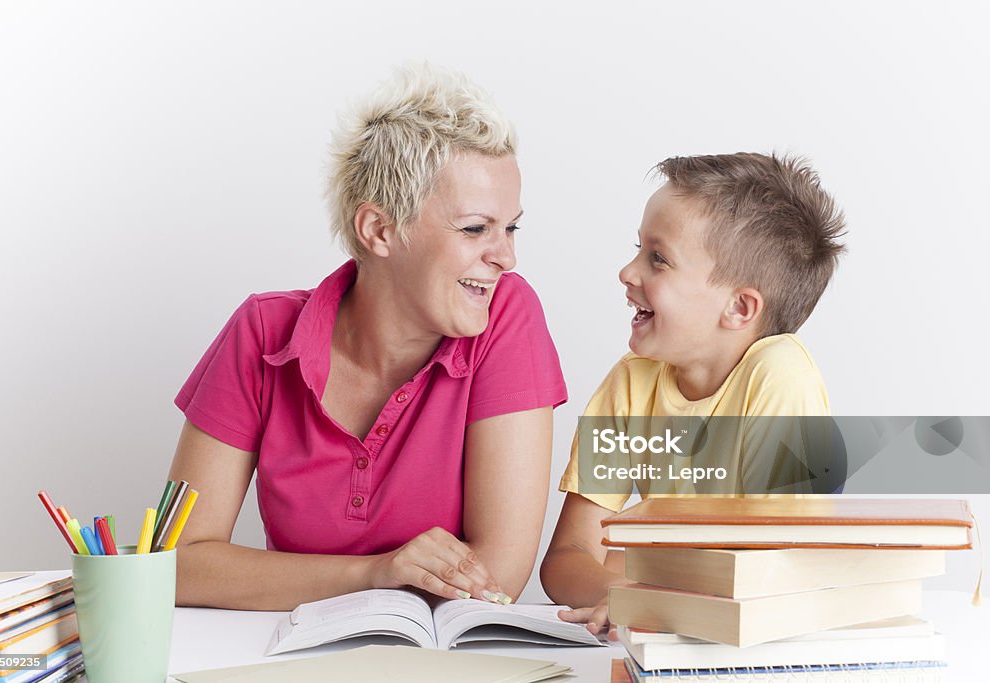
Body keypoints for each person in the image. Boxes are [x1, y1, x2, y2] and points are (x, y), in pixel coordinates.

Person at [166, 64, 567, 611]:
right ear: (380, 230)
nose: (506, 256)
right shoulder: (260, 333)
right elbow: (178, 564)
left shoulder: (506, 315)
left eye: (510, 227)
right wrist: (373, 573)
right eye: (476, 228)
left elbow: (497, 577)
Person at [540, 153, 846, 636]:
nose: (627, 271)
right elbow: (567, 558)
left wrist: (646, 581)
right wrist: (620, 593)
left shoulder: (780, 372)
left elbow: (773, 571)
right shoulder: (633, 380)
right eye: (637, 249)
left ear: (739, 308)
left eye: (657, 258)